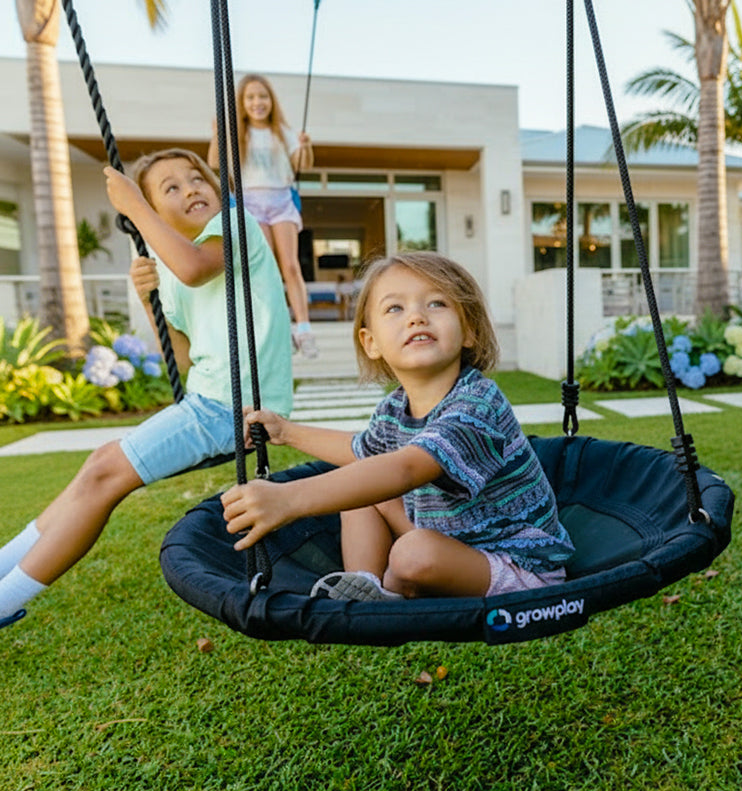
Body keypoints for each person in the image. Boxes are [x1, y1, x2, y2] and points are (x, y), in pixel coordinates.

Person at [0, 148, 293, 631]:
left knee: (103, 475)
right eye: (170, 188)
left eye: (196, 177)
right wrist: (150, 297)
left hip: (237, 406)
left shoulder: (236, 227)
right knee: (98, 467)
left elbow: (198, 266)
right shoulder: (168, 268)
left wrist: (135, 206)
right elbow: (180, 357)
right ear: (158, 213)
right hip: (208, 399)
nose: (191, 188)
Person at [220, 252, 575, 601]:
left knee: (412, 553)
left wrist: (289, 499)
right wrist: (286, 432)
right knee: (360, 484)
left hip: (516, 562)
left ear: (469, 331)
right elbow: (361, 451)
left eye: (436, 304)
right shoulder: (394, 409)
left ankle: (394, 588)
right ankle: (366, 590)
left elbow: (406, 469)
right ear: (371, 343)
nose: (417, 317)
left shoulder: (477, 403)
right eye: (395, 309)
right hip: (449, 539)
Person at [207, 73, 319, 358]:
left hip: (281, 199)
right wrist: (217, 135)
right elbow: (213, 163)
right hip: (251, 203)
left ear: (271, 101)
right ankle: (278, 327)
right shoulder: (236, 134)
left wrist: (306, 146)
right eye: (251, 97)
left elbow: (302, 164)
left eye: (263, 96)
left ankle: (304, 328)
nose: (258, 102)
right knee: (265, 269)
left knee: (290, 266)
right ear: (242, 103)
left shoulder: (283, 132)